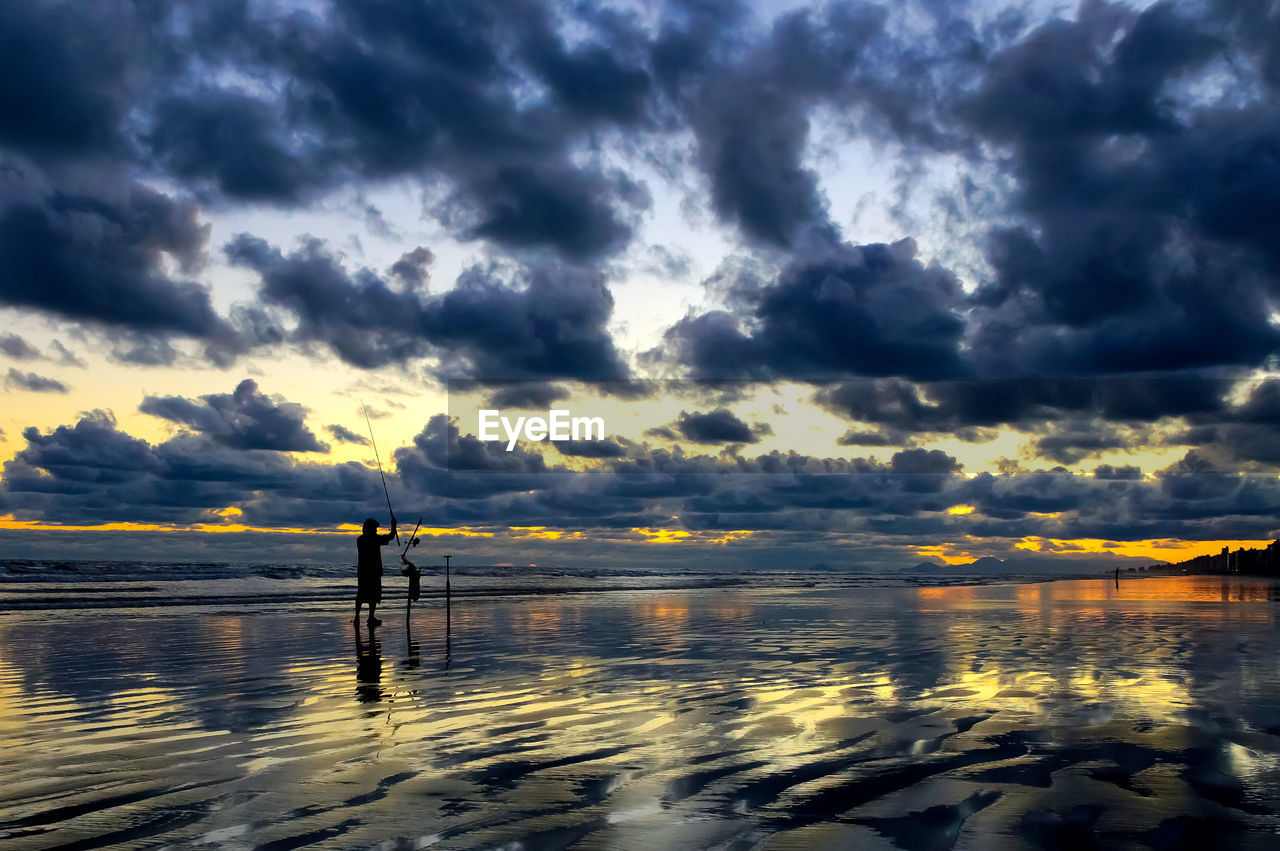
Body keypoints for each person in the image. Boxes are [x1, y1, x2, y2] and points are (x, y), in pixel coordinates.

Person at [354, 515, 396, 625]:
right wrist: (394, 526)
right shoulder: (375, 539)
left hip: (362, 572)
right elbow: (391, 537)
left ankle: (357, 618)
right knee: (373, 595)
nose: (376, 530)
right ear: (371, 529)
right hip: (374, 572)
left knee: (361, 594)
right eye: (375, 529)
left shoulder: (360, 539)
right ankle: (370, 617)